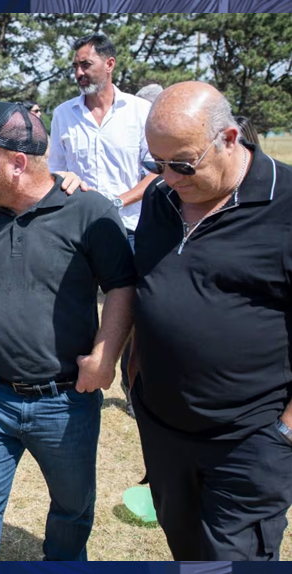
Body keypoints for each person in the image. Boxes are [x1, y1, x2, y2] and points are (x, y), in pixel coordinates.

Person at [0, 102, 136, 561]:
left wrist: (105, 358)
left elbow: (122, 286)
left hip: (65, 403)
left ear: (16, 164)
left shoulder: (89, 210)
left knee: (72, 510)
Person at [130, 81, 292, 561]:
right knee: (185, 549)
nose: (168, 177)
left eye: (181, 164)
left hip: (248, 441)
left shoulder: (286, 206)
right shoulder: (161, 199)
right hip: (163, 430)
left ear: (230, 138)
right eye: (155, 165)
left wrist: (284, 432)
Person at [48, 32, 154, 419]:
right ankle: (72, 374)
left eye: (85, 64)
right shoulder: (63, 113)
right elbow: (55, 167)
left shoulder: (141, 112)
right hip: (77, 227)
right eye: (75, 66)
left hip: (128, 225)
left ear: (109, 64)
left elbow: (156, 175)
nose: (78, 72)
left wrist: (118, 200)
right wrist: (67, 180)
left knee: (131, 309)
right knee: (73, 301)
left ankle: (132, 388)